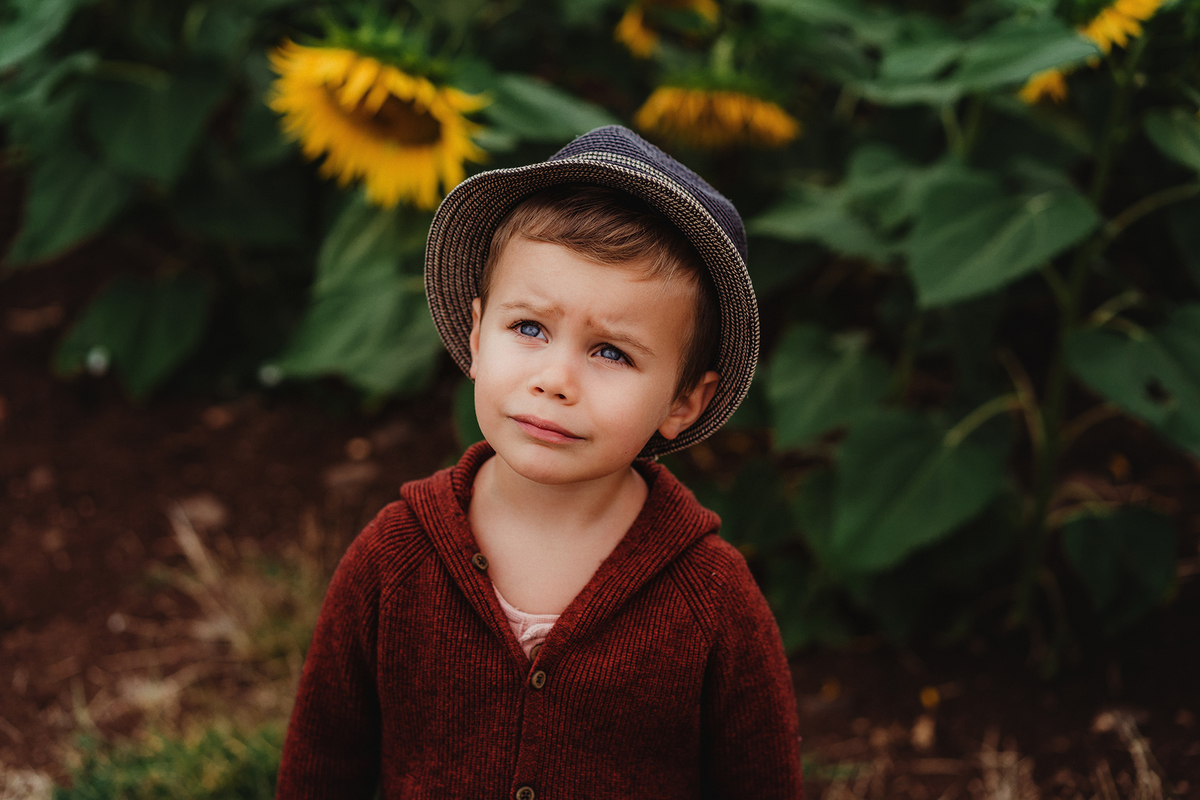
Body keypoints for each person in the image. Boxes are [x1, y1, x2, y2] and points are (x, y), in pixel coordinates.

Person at [276, 125, 803, 800]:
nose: (555, 379)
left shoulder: (709, 596)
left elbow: (760, 783)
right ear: (476, 333)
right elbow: (324, 761)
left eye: (612, 352)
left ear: (683, 401)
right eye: (529, 328)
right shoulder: (395, 557)